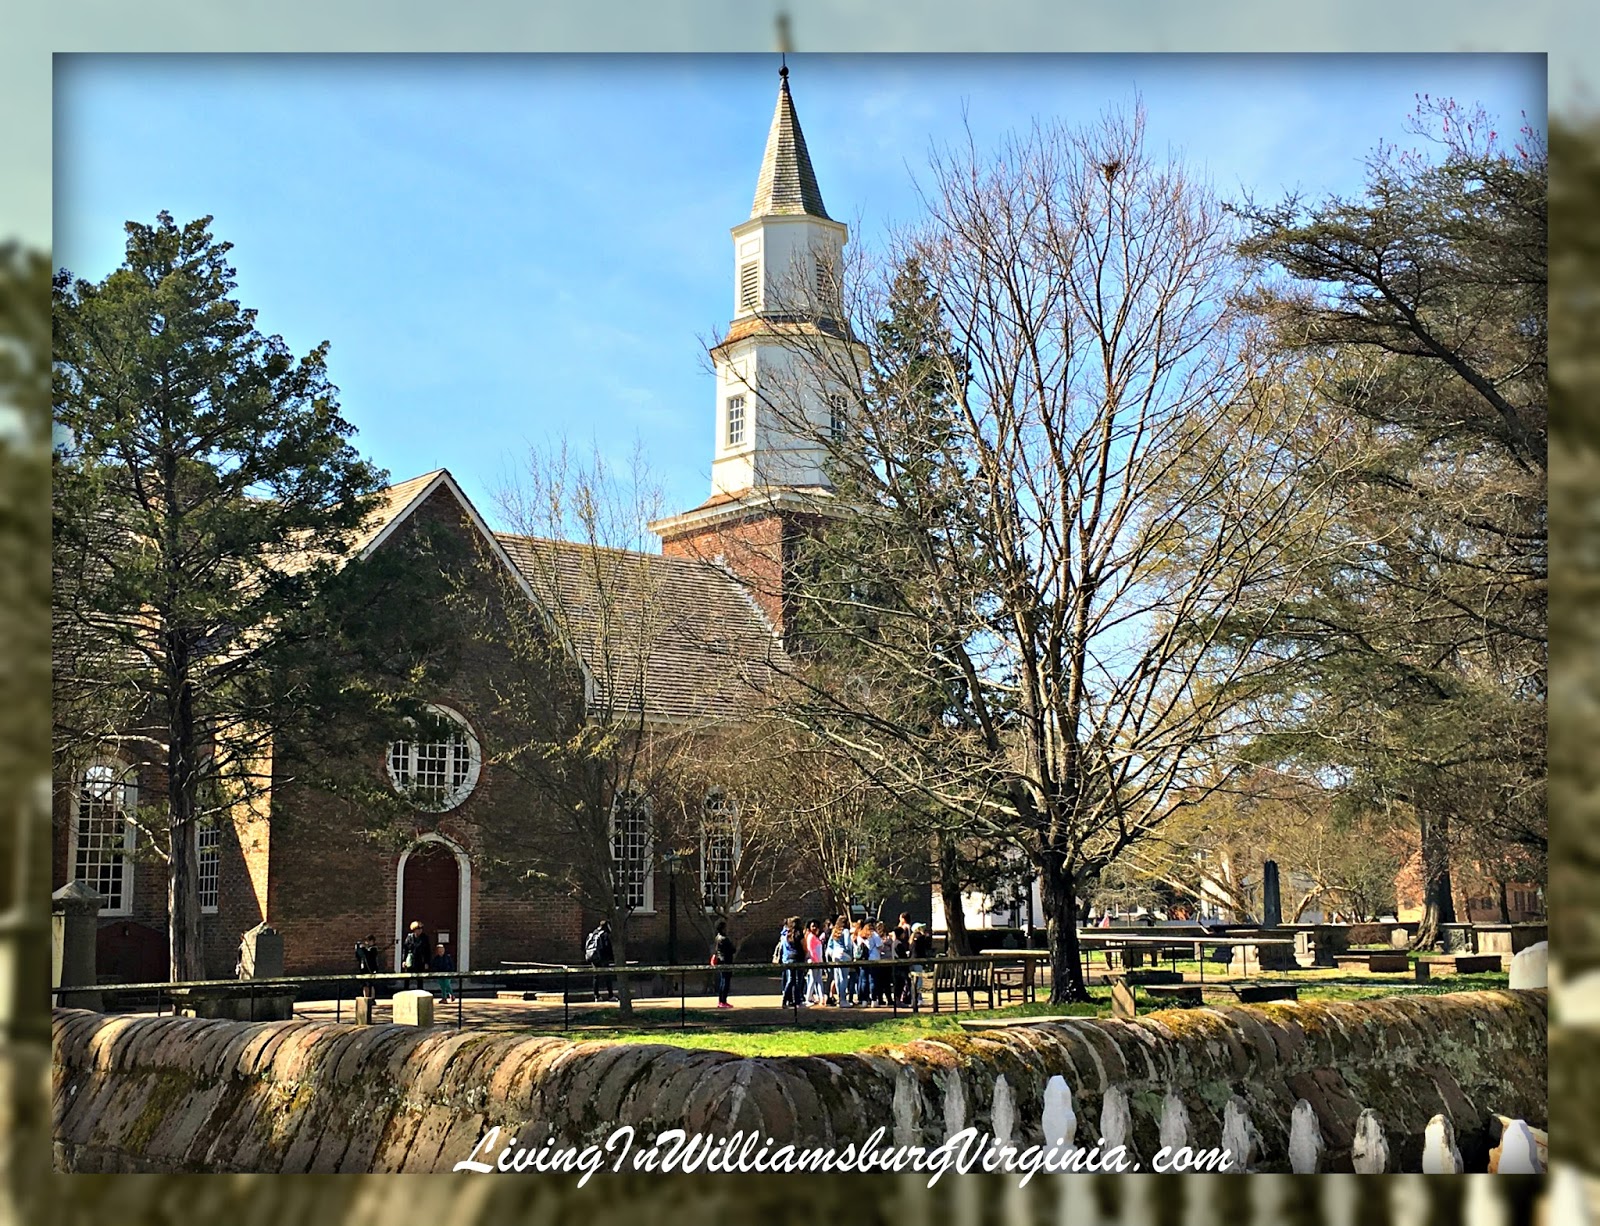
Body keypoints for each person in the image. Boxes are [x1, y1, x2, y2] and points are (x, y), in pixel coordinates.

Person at [584, 919, 615, 1001]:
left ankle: (596, 996)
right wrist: (612, 958)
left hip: (593, 956)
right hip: (602, 957)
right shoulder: (604, 934)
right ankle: (611, 995)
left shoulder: (594, 933)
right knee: (607, 976)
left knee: (596, 976)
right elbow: (607, 947)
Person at [711, 920, 736, 1008]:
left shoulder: (717, 937)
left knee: (723, 981)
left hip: (720, 961)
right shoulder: (725, 939)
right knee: (725, 982)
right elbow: (733, 949)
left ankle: (721, 1001)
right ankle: (723, 1001)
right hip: (726, 961)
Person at [401, 920, 431, 989]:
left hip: (420, 960)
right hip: (411, 960)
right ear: (414, 930)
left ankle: (420, 991)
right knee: (407, 977)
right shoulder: (409, 937)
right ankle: (406, 991)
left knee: (420, 978)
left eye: (421, 929)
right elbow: (405, 949)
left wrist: (427, 962)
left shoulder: (424, 938)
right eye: (418, 929)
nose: (420, 930)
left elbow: (427, 951)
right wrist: (404, 960)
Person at [354, 933, 380, 1003]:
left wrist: (363, 949)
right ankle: (366, 998)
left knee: (371, 984)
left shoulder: (374, 949)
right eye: (366, 941)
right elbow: (359, 957)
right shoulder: (365, 949)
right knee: (365, 984)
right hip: (364, 968)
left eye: (369, 941)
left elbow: (369, 955)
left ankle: (372, 998)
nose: (367, 943)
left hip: (371, 968)